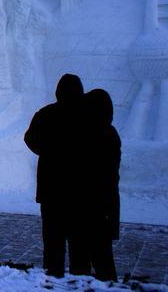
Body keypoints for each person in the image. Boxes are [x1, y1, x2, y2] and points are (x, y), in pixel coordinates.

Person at [24, 73, 86, 278]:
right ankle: (80, 279)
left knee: (53, 241)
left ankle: (52, 278)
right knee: (79, 242)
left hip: (51, 188)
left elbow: (30, 139)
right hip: (80, 189)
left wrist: (47, 150)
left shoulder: (46, 113)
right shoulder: (87, 114)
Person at [82, 88, 121, 281]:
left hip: (97, 204)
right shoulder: (108, 132)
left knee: (100, 255)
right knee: (101, 253)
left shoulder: (96, 134)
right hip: (104, 202)